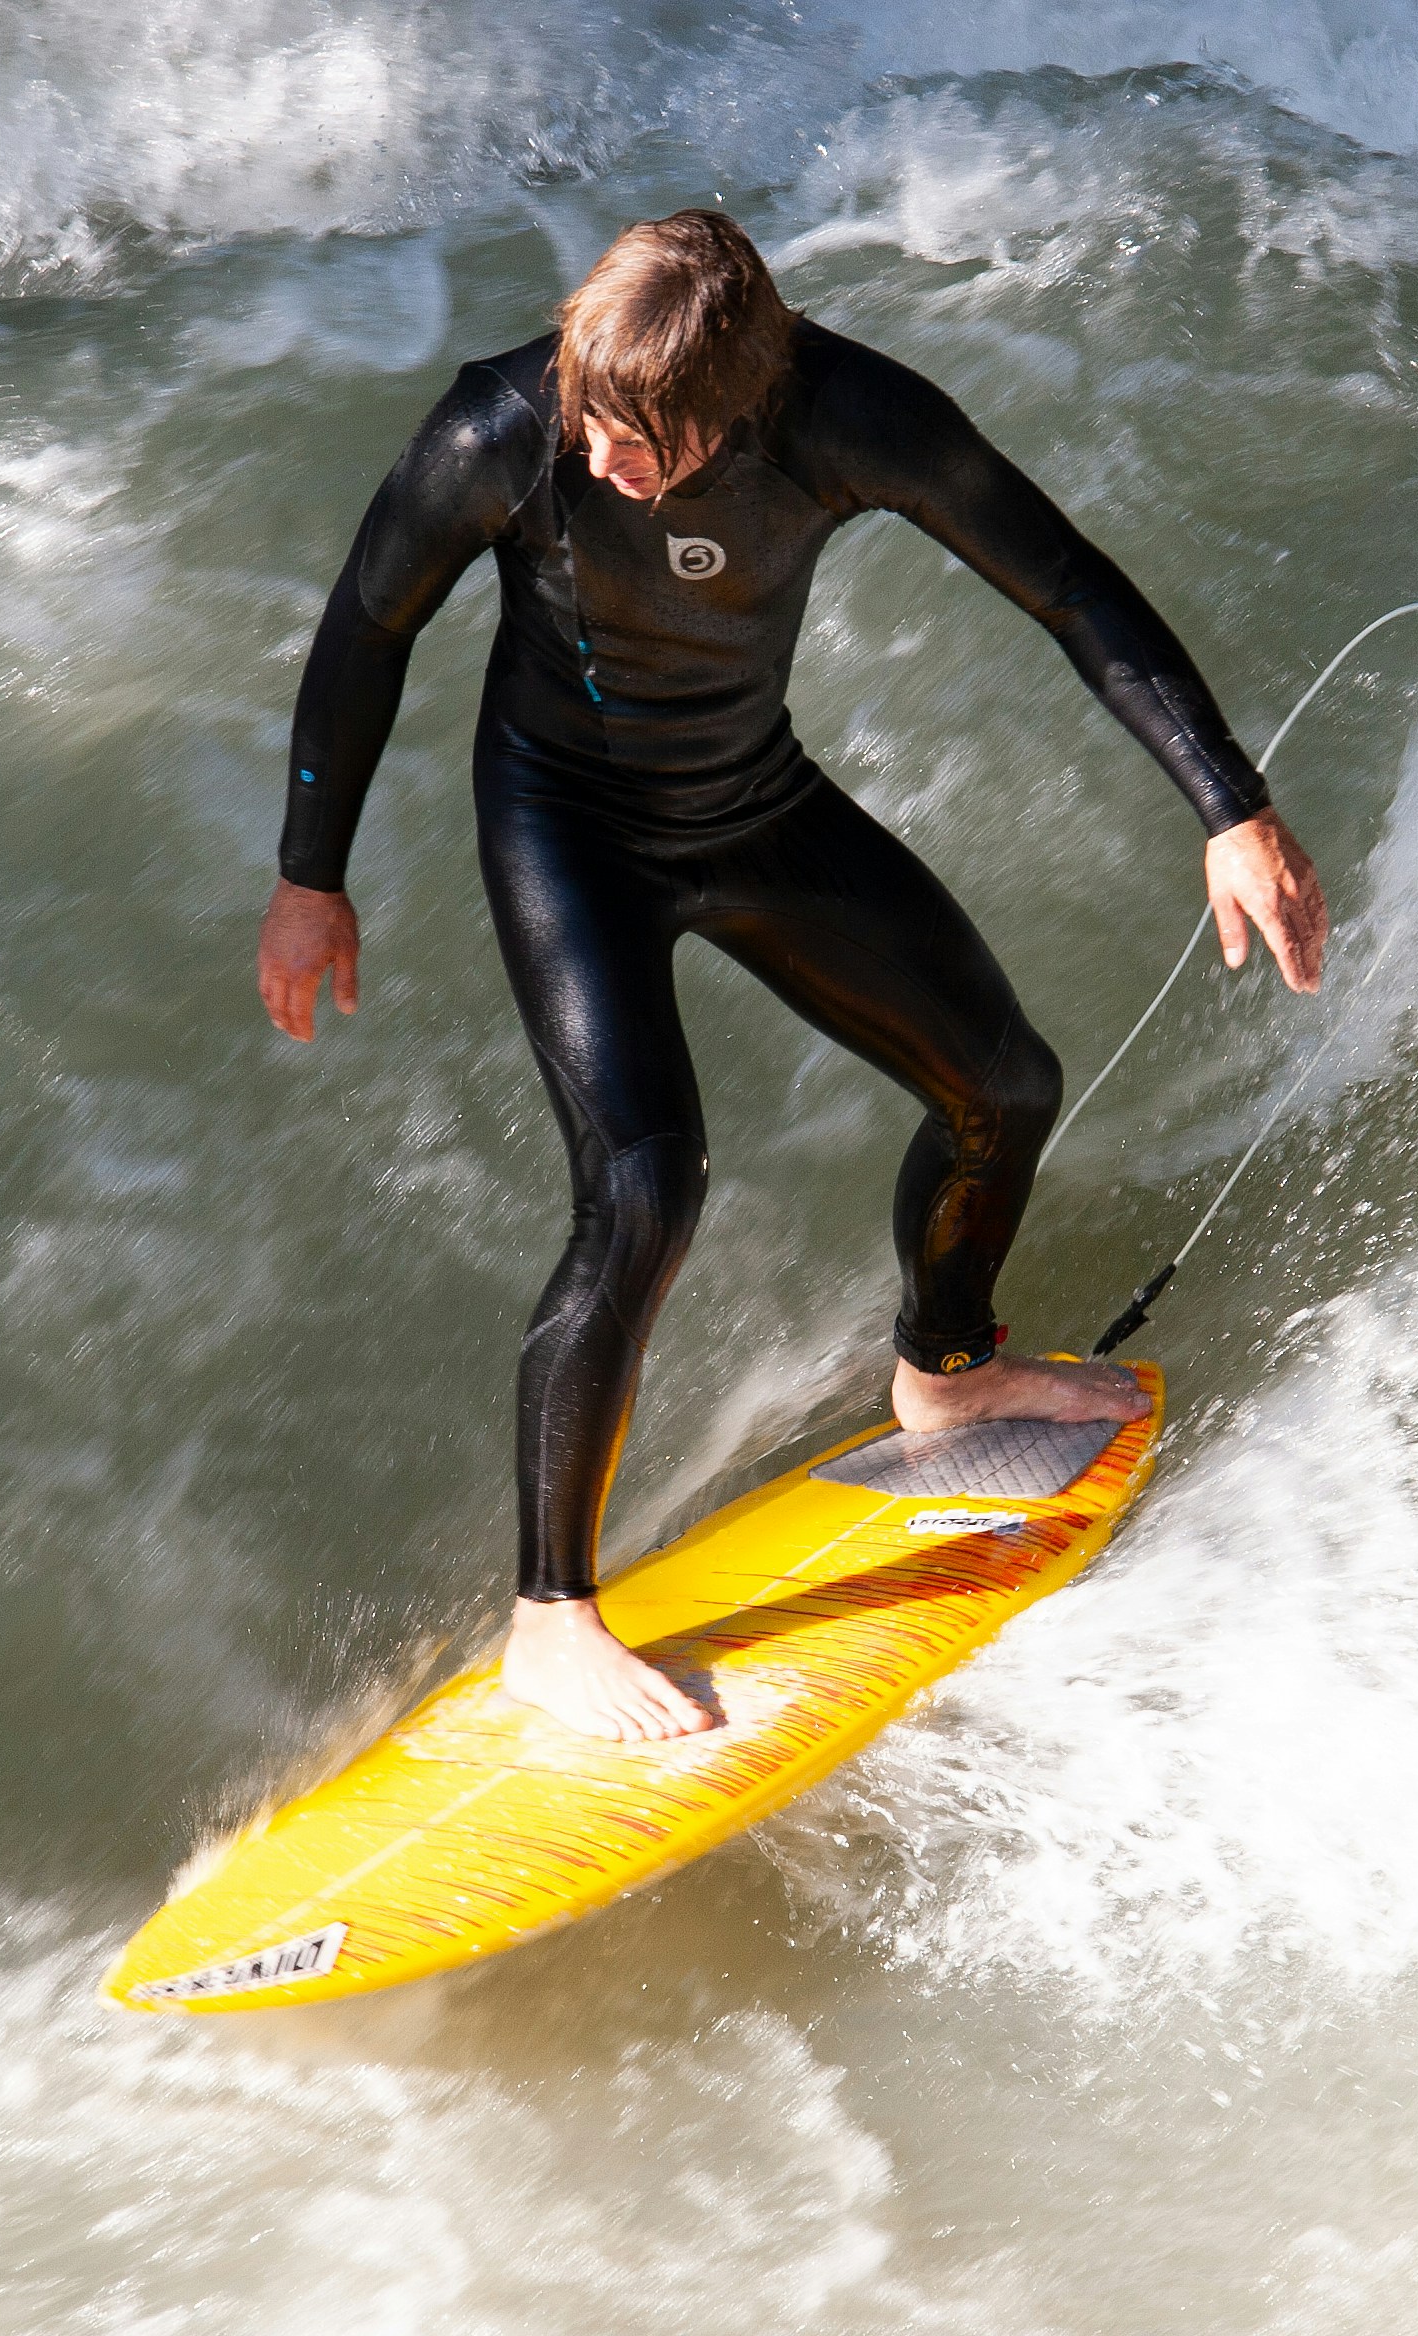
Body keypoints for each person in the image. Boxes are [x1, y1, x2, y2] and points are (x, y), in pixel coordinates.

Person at [254, 211, 1327, 1742]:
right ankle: (551, 1619)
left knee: (1003, 1086)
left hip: (750, 804)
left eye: (645, 439)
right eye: (593, 425)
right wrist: (311, 874)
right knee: (645, 1188)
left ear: (744, 398)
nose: (607, 463)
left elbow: (1069, 586)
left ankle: (946, 1372)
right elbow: (369, 626)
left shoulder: (847, 416)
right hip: (569, 824)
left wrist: (1233, 806)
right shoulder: (506, 425)